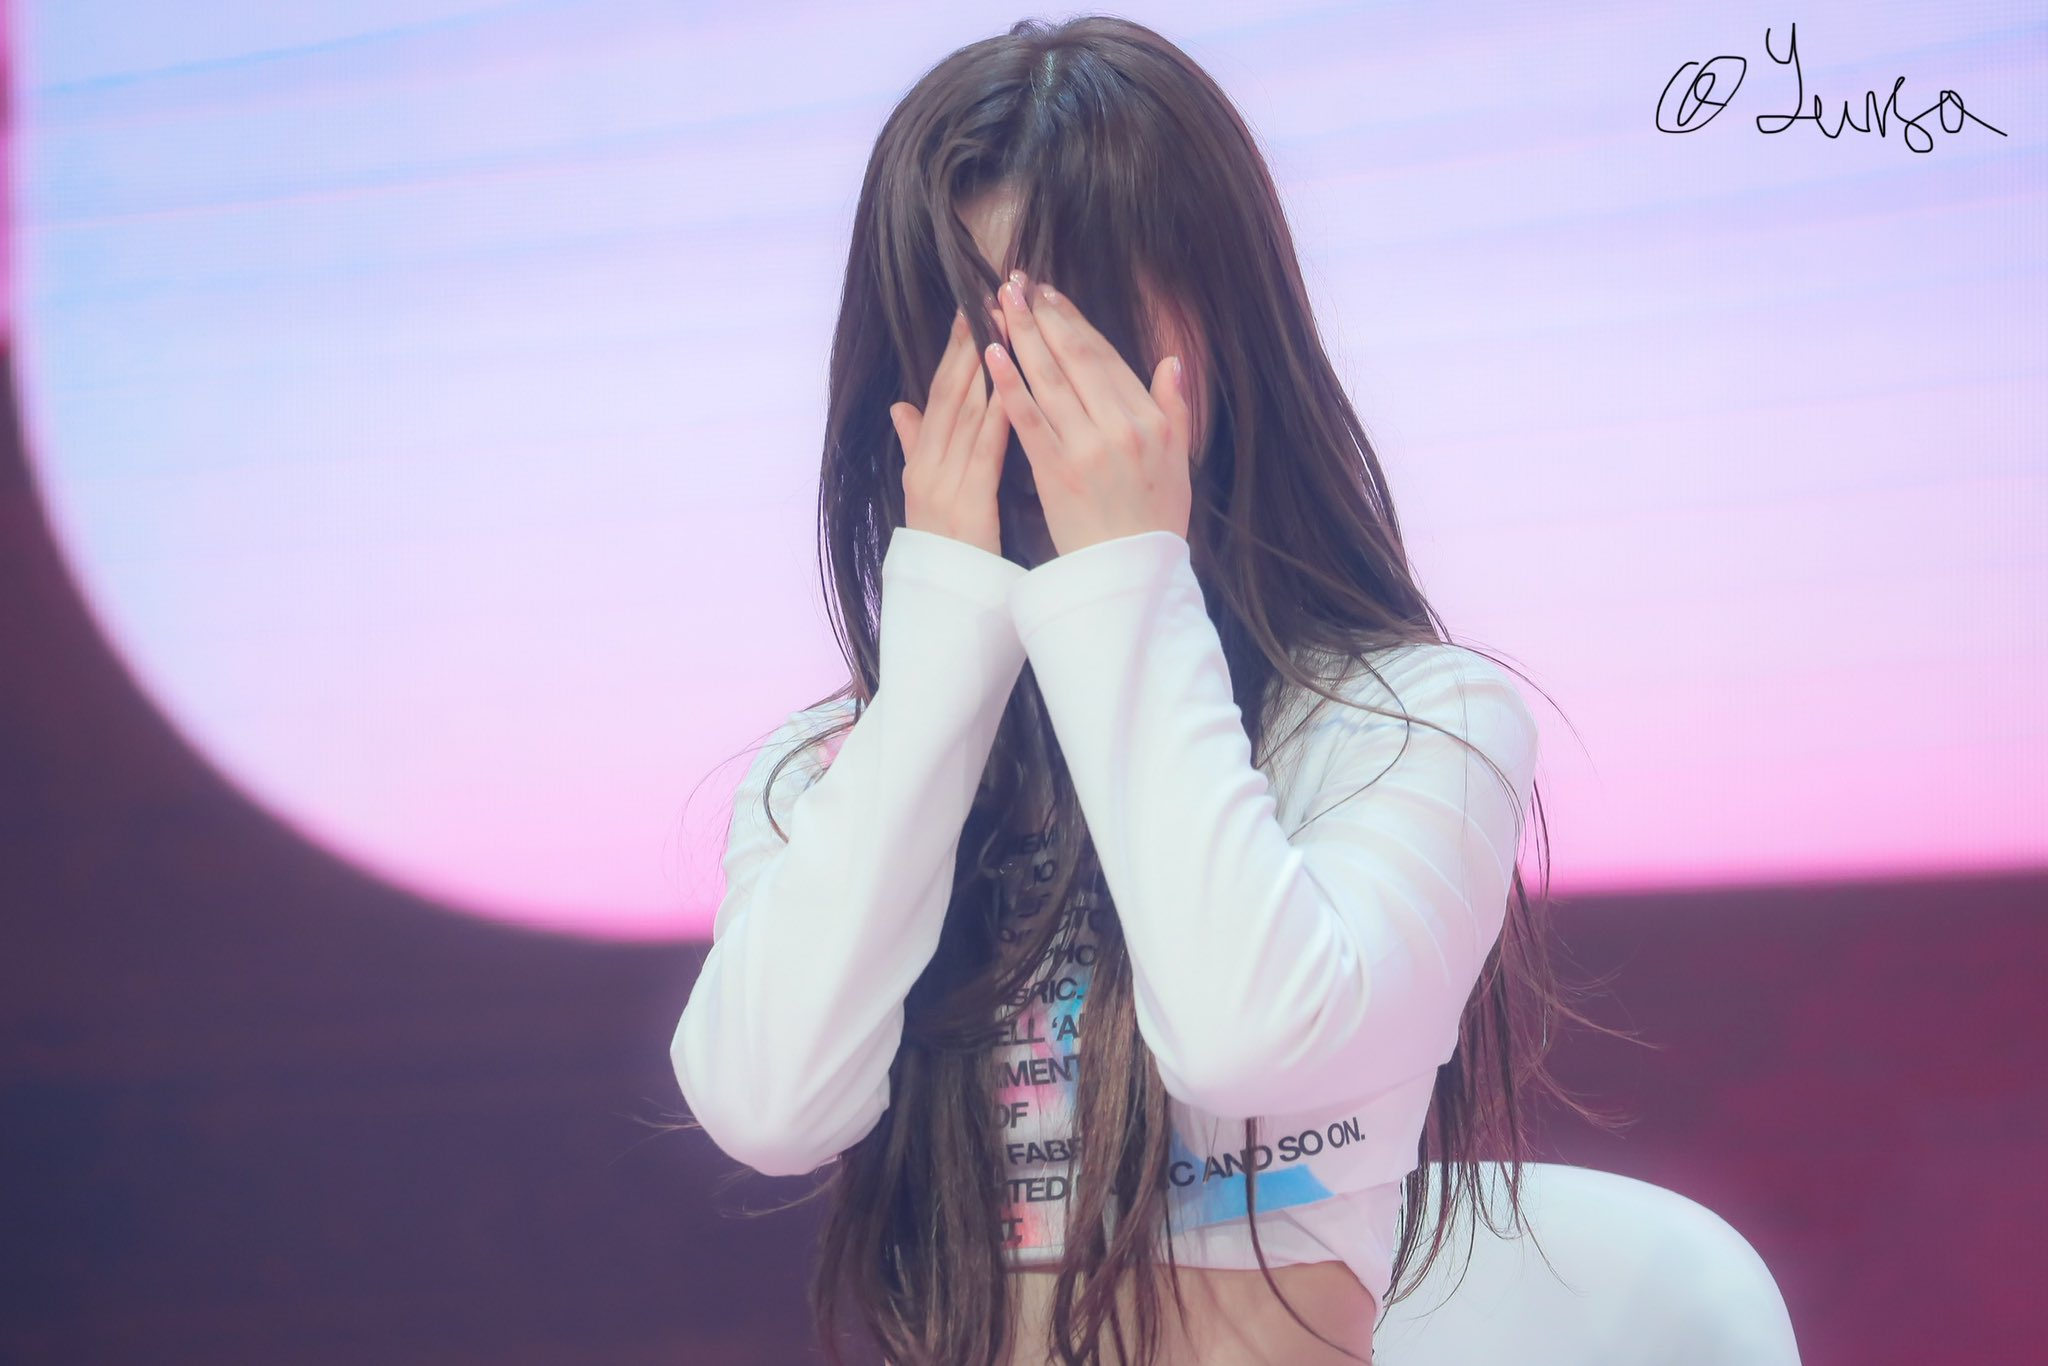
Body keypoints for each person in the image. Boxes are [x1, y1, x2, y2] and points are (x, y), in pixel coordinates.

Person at [670, 15, 1618, 1365]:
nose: (1029, 393)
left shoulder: (1412, 722)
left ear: (1227, 327)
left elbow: (1247, 1042)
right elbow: (768, 1106)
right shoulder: (832, 764)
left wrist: (1123, 581)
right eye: (974, 337)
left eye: (1081, 329)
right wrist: (939, 662)